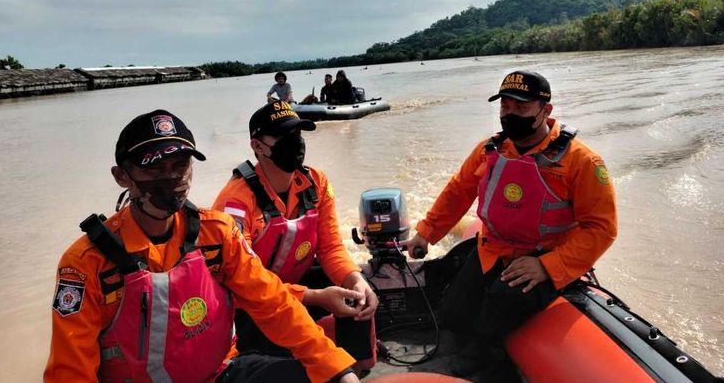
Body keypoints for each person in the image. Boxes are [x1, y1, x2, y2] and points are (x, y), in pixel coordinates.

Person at [44, 109, 359, 383]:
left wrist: (334, 367)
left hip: (221, 373)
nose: (171, 178)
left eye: (180, 165)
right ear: (122, 176)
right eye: (153, 168)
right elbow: (71, 371)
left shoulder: (216, 233)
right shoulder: (86, 264)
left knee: (322, 376)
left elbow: (273, 302)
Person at [404, 70, 617, 376]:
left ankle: (487, 359)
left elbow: (601, 228)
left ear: (546, 110)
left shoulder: (582, 162)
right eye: (505, 106)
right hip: (492, 248)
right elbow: (458, 191)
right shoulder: (489, 149)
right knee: (452, 312)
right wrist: (426, 233)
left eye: (521, 107)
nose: (510, 114)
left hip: (542, 257)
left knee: (496, 311)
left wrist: (548, 266)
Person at [212, 100, 378, 366]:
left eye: (297, 135)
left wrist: (355, 279)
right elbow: (243, 285)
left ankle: (358, 365)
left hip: (296, 286)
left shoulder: (316, 183)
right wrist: (314, 297)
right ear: (257, 146)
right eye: (282, 136)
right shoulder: (236, 204)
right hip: (253, 307)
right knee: (283, 365)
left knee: (356, 291)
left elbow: (330, 248)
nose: (294, 142)